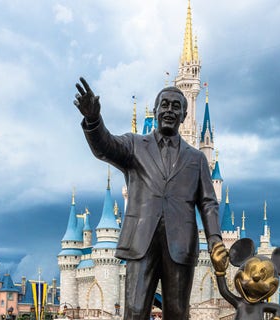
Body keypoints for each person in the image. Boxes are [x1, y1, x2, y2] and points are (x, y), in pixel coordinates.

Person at [73, 77, 227, 320]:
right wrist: (93, 120)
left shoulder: (196, 159)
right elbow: (105, 147)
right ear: (155, 111)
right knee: (134, 312)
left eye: (176, 106)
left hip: (181, 245)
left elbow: (208, 202)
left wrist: (216, 239)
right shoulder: (135, 145)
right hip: (140, 243)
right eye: (164, 105)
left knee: (177, 313)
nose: (169, 110)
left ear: (185, 115)